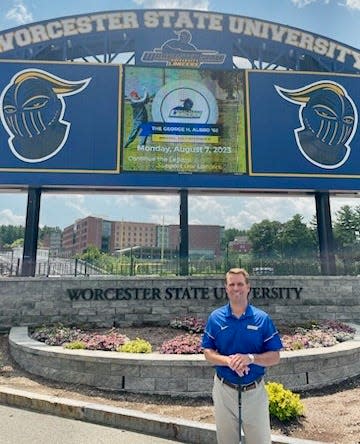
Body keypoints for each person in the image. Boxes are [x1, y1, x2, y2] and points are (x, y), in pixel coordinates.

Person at [202, 268, 283, 444]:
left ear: (248, 287)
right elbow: (208, 352)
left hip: (254, 391)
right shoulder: (215, 318)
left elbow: (275, 356)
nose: (236, 288)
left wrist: (250, 358)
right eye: (232, 284)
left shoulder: (262, 319)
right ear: (226, 288)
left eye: (240, 284)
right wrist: (230, 361)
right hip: (224, 390)